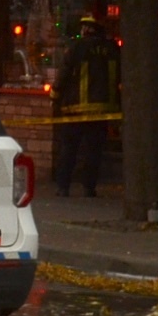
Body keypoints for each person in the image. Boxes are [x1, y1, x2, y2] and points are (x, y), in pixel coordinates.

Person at [54, 14, 119, 197]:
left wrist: (55, 96)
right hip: (102, 111)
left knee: (69, 149)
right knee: (94, 152)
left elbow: (63, 74)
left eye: (84, 27)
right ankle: (89, 188)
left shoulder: (76, 48)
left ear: (88, 30)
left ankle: (63, 186)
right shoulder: (112, 49)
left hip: (75, 110)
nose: (82, 30)